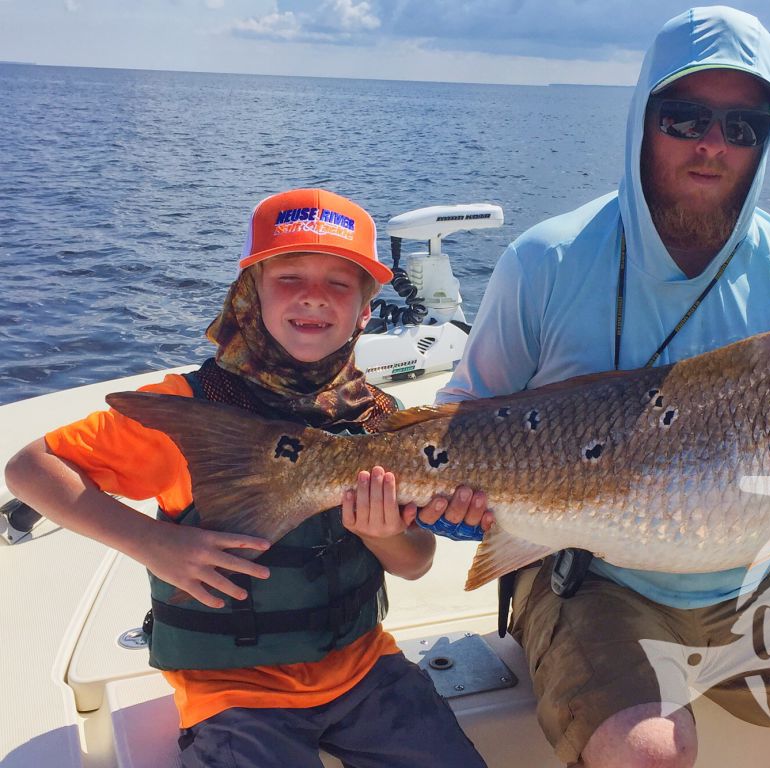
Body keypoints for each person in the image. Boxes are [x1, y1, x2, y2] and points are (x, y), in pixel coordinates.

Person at [433, 7, 770, 768]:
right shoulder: (547, 262)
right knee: (648, 751)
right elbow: (462, 417)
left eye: (742, 125)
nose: (712, 145)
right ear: (642, 118)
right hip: (590, 575)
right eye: (685, 116)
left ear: (764, 138)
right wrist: (454, 503)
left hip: (769, 575)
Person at [5, 188, 486, 768]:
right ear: (249, 295)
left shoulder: (384, 421)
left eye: (340, 282)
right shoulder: (189, 412)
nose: (314, 296)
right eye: (289, 277)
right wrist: (154, 543)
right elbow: (31, 468)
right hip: (230, 688)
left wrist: (383, 534)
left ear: (365, 310)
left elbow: (414, 563)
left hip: (364, 668)